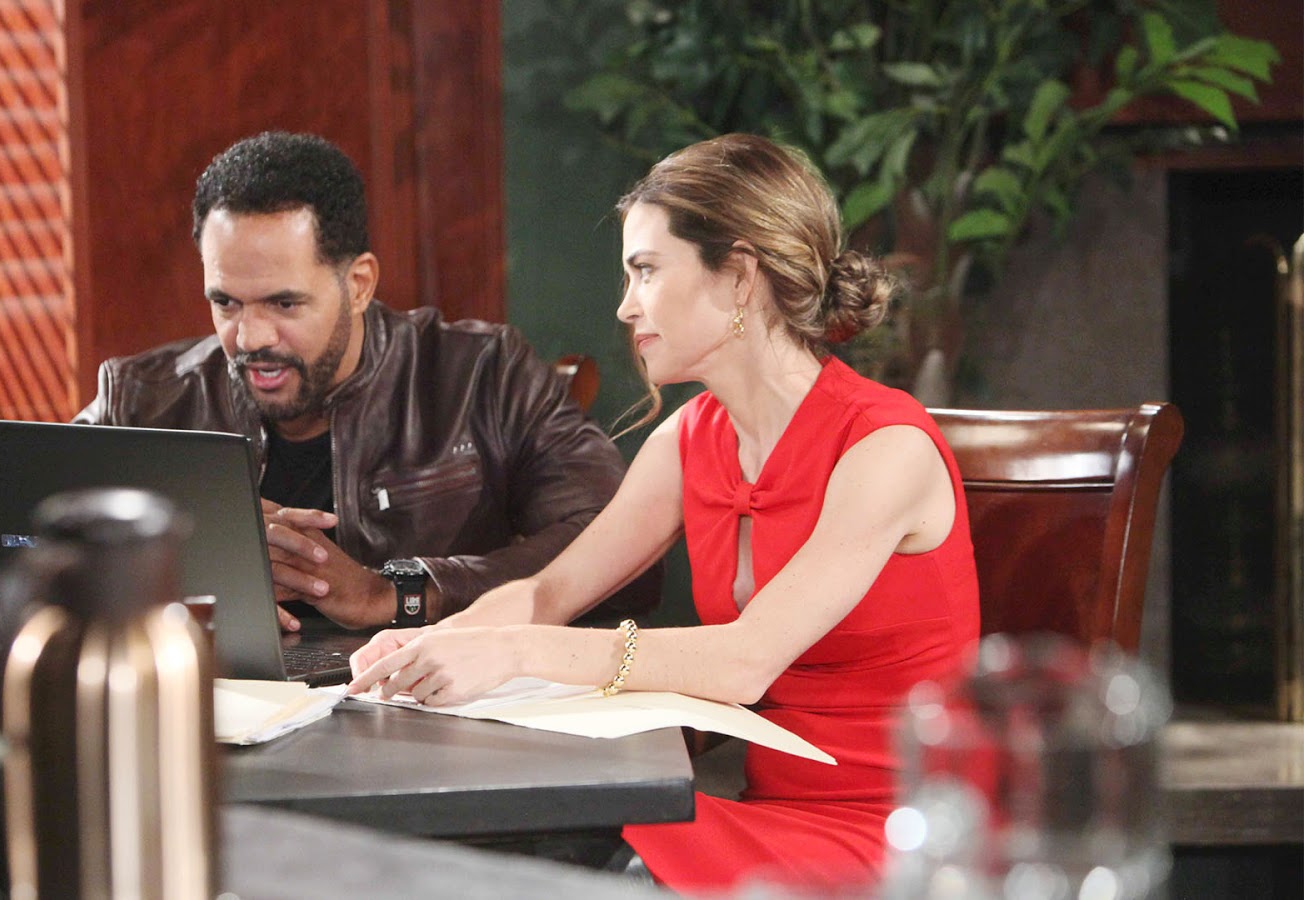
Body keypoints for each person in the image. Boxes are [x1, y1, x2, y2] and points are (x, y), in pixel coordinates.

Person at [347, 133, 981, 892]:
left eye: (645, 270)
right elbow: (549, 593)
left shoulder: (885, 447)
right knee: (520, 841)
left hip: (906, 839)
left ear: (739, 275)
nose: (625, 305)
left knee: (563, 857)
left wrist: (516, 652)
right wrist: (428, 648)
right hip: (769, 820)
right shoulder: (689, 440)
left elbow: (745, 661)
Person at [0, 131, 660, 628]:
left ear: (359, 283)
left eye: (284, 304)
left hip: (431, 721)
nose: (251, 337)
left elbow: (625, 556)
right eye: (226, 303)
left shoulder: (482, 374)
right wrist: (185, 558)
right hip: (224, 734)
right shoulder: (145, 398)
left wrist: (400, 593)